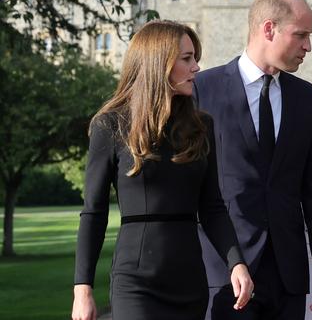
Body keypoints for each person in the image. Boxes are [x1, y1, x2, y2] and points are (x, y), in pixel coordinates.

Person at [71, 20, 253, 320]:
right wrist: (83, 289)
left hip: (190, 279)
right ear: (159, 63)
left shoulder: (201, 127)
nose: (196, 67)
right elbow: (94, 212)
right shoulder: (110, 126)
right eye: (186, 58)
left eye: (195, 57)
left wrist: (236, 263)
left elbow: (212, 208)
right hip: (136, 283)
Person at [193, 0, 312, 320]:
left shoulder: (307, 98)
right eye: (301, 35)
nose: (309, 47)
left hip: (288, 274)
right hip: (223, 270)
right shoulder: (204, 90)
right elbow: (190, 184)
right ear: (269, 29)